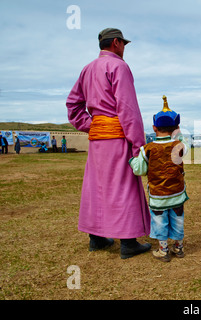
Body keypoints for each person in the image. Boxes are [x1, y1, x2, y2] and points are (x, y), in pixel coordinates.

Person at [66, 27, 151, 259]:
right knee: (124, 186)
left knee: (96, 186)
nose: (124, 48)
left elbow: (73, 105)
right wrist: (137, 145)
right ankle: (128, 241)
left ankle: (96, 237)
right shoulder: (119, 67)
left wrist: (91, 125)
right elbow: (127, 108)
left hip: (97, 140)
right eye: (123, 43)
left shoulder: (87, 69)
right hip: (117, 136)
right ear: (116, 43)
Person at [129, 96, 189, 262]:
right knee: (178, 220)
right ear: (175, 128)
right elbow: (184, 143)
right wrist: (178, 131)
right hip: (177, 193)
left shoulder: (146, 149)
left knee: (159, 221)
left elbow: (139, 169)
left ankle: (164, 250)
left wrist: (132, 161)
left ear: (154, 127)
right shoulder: (179, 146)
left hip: (158, 195)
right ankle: (178, 247)